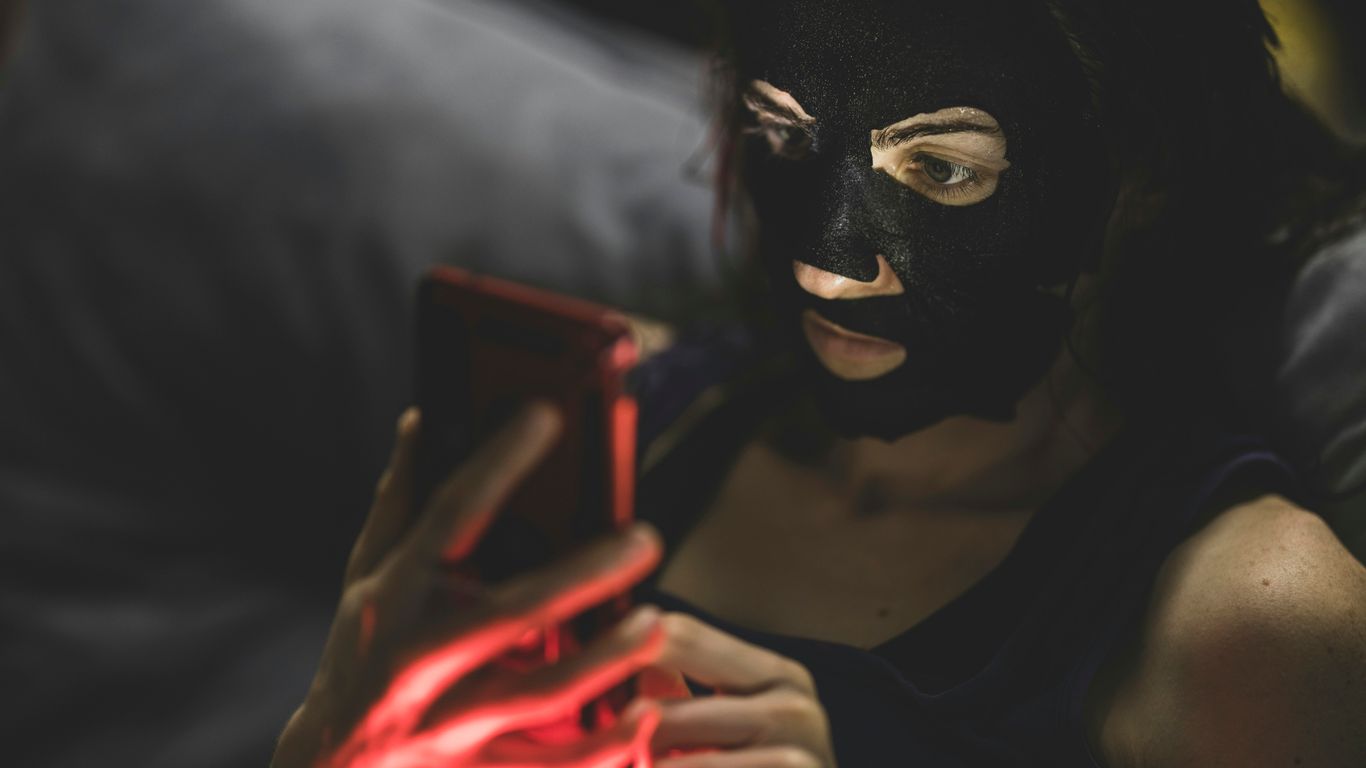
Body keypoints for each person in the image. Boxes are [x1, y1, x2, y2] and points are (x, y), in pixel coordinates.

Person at [274, 0, 1366, 766]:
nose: (824, 261)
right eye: (787, 138)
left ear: (1142, 179)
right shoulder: (628, 431)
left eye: (942, 172)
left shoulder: (1249, 622)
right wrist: (335, 737)